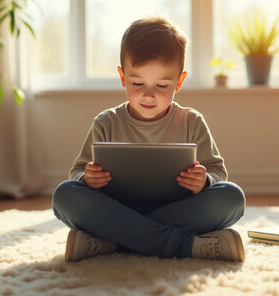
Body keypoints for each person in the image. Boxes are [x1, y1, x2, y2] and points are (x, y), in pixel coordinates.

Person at [52, 16, 246, 262]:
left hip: (175, 210)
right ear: (123, 78)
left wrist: (205, 181)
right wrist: (87, 178)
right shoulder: (106, 122)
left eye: (162, 85)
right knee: (65, 195)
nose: (148, 94)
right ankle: (183, 245)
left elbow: (218, 172)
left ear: (179, 82)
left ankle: (112, 242)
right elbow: (77, 173)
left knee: (232, 197)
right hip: (116, 208)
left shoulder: (191, 121)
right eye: (137, 82)